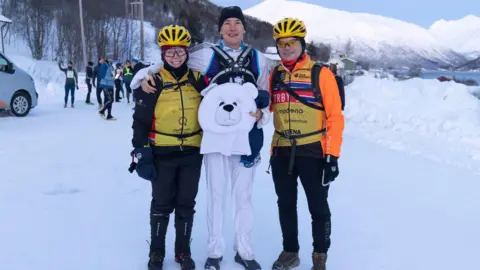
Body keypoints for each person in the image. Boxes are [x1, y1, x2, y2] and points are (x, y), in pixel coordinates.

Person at [130, 6, 270, 270]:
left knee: (243, 197)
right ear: (219, 29)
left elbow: (263, 95)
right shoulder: (205, 54)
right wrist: (142, 78)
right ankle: (215, 251)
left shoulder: (259, 59)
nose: (232, 27)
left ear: (244, 28)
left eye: (237, 23)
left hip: (247, 137)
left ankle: (244, 250)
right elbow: (170, 60)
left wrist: (262, 114)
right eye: (226, 23)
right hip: (215, 138)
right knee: (216, 195)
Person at [267, 18, 345, 270]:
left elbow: (335, 116)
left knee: (318, 206)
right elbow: (267, 109)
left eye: (292, 43)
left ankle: (319, 255)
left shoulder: (320, 74)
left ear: (302, 44)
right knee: (286, 204)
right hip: (281, 150)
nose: (287, 48)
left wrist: (332, 155)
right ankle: (290, 252)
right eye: (282, 43)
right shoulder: (275, 75)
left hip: (313, 150)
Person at [130, 25, 208, 270]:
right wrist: (141, 151)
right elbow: (140, 121)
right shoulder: (153, 81)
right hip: (162, 150)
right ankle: (156, 252)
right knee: (161, 204)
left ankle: (183, 252)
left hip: (192, 152)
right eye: (170, 52)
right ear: (162, 54)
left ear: (187, 52)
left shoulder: (198, 79)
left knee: (186, 204)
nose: (175, 57)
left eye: (180, 51)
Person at [97, 56, 116, 120]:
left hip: (111, 85)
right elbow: (102, 76)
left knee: (109, 100)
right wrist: (111, 78)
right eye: (110, 58)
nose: (111, 59)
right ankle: (102, 111)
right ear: (107, 59)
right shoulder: (104, 65)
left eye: (112, 58)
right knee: (111, 99)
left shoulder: (111, 66)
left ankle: (109, 115)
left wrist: (117, 76)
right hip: (105, 85)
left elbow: (113, 75)